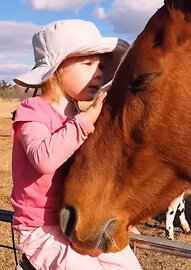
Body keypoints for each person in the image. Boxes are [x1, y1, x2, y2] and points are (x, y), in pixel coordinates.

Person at [10, 19, 142, 269]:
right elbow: (43, 159)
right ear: (57, 69)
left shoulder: (80, 115)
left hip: (82, 219)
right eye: (88, 63)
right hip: (42, 226)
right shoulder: (33, 111)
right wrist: (88, 118)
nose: (100, 73)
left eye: (101, 65)